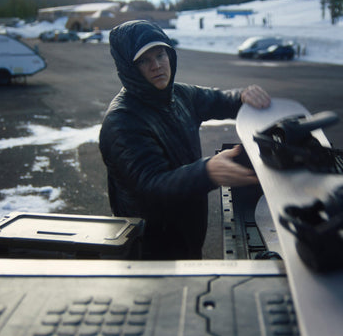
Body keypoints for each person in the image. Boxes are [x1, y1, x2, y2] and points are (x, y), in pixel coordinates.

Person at [99, 20, 271, 260]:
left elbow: (219, 99)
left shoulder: (178, 94)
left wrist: (243, 96)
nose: (156, 66)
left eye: (160, 55)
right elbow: (150, 186)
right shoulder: (122, 121)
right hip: (150, 247)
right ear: (128, 67)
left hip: (188, 233)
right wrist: (207, 172)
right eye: (144, 61)